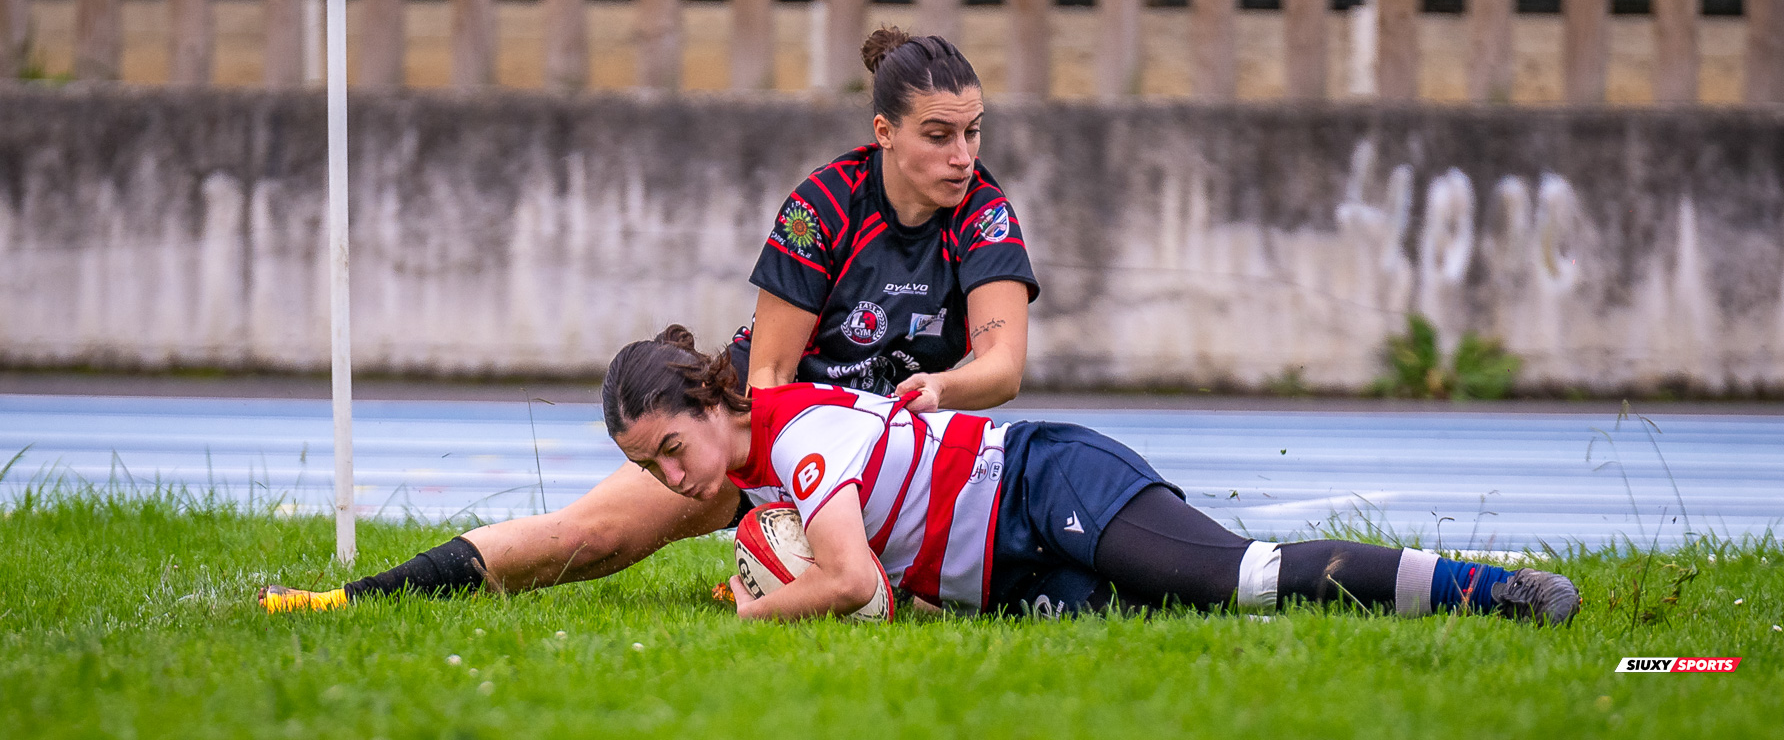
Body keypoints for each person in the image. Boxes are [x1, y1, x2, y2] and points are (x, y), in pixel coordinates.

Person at [265, 27, 1040, 612]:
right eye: (939, 136)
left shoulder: (985, 212)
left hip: (881, 457)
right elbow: (768, 378)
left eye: (972, 134)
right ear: (885, 134)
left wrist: (939, 386)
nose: (962, 155)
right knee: (588, 538)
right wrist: (777, 526)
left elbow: (1000, 367)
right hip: (755, 431)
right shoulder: (823, 205)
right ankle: (350, 600)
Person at [605, 329, 1582, 625]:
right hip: (1019, 568)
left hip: (1048, 484)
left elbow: (852, 581)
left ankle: (1498, 591)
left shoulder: (797, 438)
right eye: (650, 466)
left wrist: (756, 613)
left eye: (669, 450)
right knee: (1170, 621)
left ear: (712, 406)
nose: (669, 477)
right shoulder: (764, 461)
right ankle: (1462, 577)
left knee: (1238, 582)